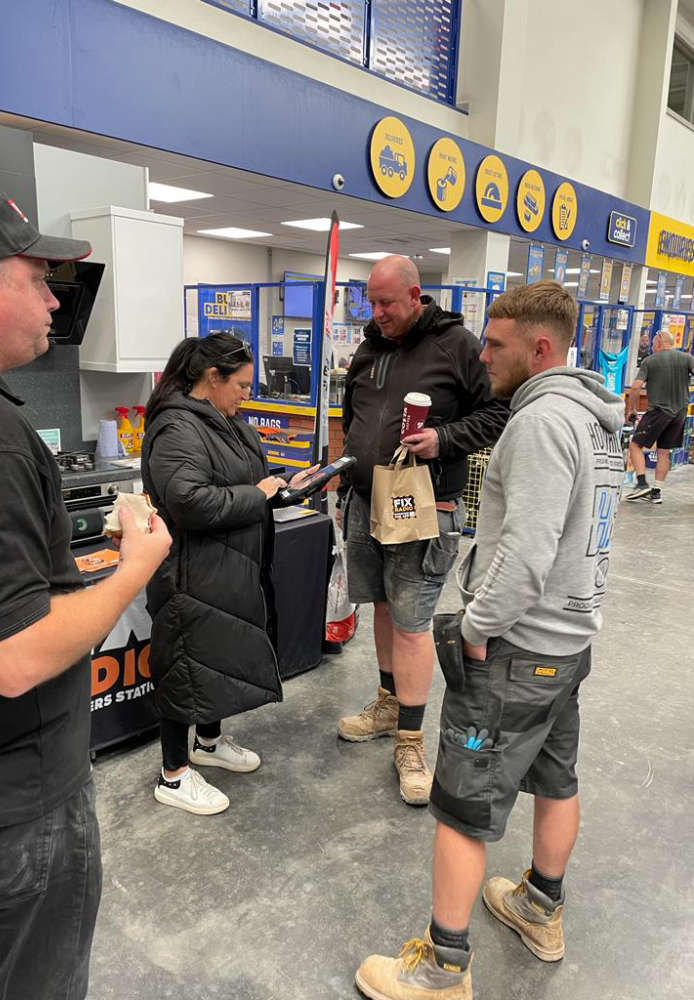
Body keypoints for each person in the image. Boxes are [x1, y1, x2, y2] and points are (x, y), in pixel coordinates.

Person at [355, 281, 625, 1000]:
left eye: (497, 344)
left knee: (461, 806)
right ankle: (539, 906)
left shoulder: (541, 423)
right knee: (556, 778)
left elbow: (527, 554)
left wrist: (476, 628)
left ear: (540, 347)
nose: (483, 356)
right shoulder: (598, 420)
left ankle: (441, 969)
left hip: (516, 648)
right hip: (568, 645)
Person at [0, 188, 171, 1000]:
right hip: (12, 796)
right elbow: (11, 658)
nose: (52, 302)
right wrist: (135, 567)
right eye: (40, 280)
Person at [337, 255, 508, 806]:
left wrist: (443, 439)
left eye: (387, 302)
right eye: (371, 302)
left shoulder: (456, 346)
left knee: (412, 622)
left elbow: (498, 413)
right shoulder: (369, 348)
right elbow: (353, 415)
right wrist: (345, 475)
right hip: (366, 502)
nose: (377, 312)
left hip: (424, 506)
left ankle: (410, 741)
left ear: (415, 296)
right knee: (383, 607)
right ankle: (389, 704)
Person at [142, 333, 318, 815]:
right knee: (183, 666)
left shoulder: (225, 420)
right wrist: (259, 494)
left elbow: (245, 482)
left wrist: (285, 485)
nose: (246, 394)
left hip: (227, 564)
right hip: (188, 571)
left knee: (214, 657)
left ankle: (208, 743)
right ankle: (174, 775)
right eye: (240, 385)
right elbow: (189, 501)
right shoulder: (177, 426)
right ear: (212, 377)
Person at [625, 329, 694, 504]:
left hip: (658, 411)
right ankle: (656, 492)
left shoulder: (650, 361)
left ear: (658, 342)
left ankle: (641, 484)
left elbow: (636, 387)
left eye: (653, 343)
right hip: (680, 412)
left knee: (635, 445)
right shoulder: (687, 359)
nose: (651, 347)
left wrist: (632, 409)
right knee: (663, 452)